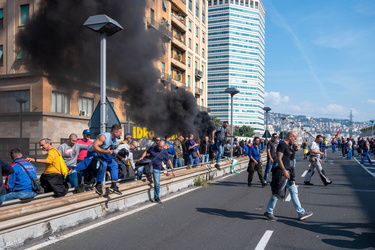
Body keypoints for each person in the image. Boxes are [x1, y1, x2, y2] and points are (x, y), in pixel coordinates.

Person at [264, 131, 313, 221]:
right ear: (290, 137)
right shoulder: (282, 145)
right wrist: (284, 171)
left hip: (288, 171)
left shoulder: (287, 145)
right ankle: (269, 211)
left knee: (293, 191)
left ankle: (301, 212)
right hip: (282, 172)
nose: (295, 140)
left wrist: (294, 149)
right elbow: (279, 159)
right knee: (277, 192)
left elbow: (290, 158)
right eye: (295, 138)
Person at [90, 124, 123, 195]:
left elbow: (112, 150)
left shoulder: (115, 140)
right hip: (94, 155)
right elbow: (94, 147)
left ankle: (113, 185)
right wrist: (105, 151)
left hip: (105, 156)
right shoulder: (103, 137)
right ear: (115, 132)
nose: (121, 134)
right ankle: (98, 184)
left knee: (114, 165)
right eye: (120, 133)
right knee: (103, 165)